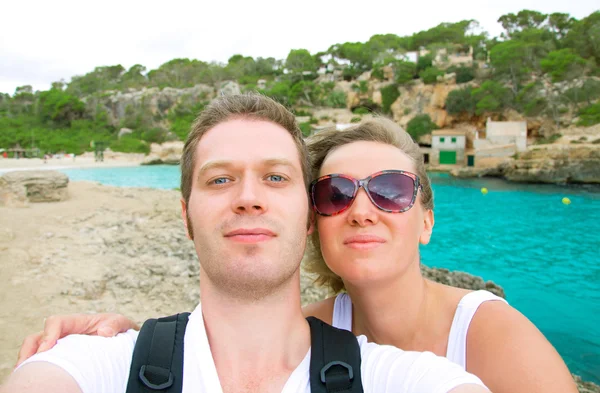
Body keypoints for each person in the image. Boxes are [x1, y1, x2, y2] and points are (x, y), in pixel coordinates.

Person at [16, 115, 578, 393]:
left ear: (426, 217)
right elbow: (222, 345)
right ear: (314, 222)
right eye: (337, 193)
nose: (362, 210)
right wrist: (137, 339)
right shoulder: (316, 326)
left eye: (391, 190)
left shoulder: (486, 333)